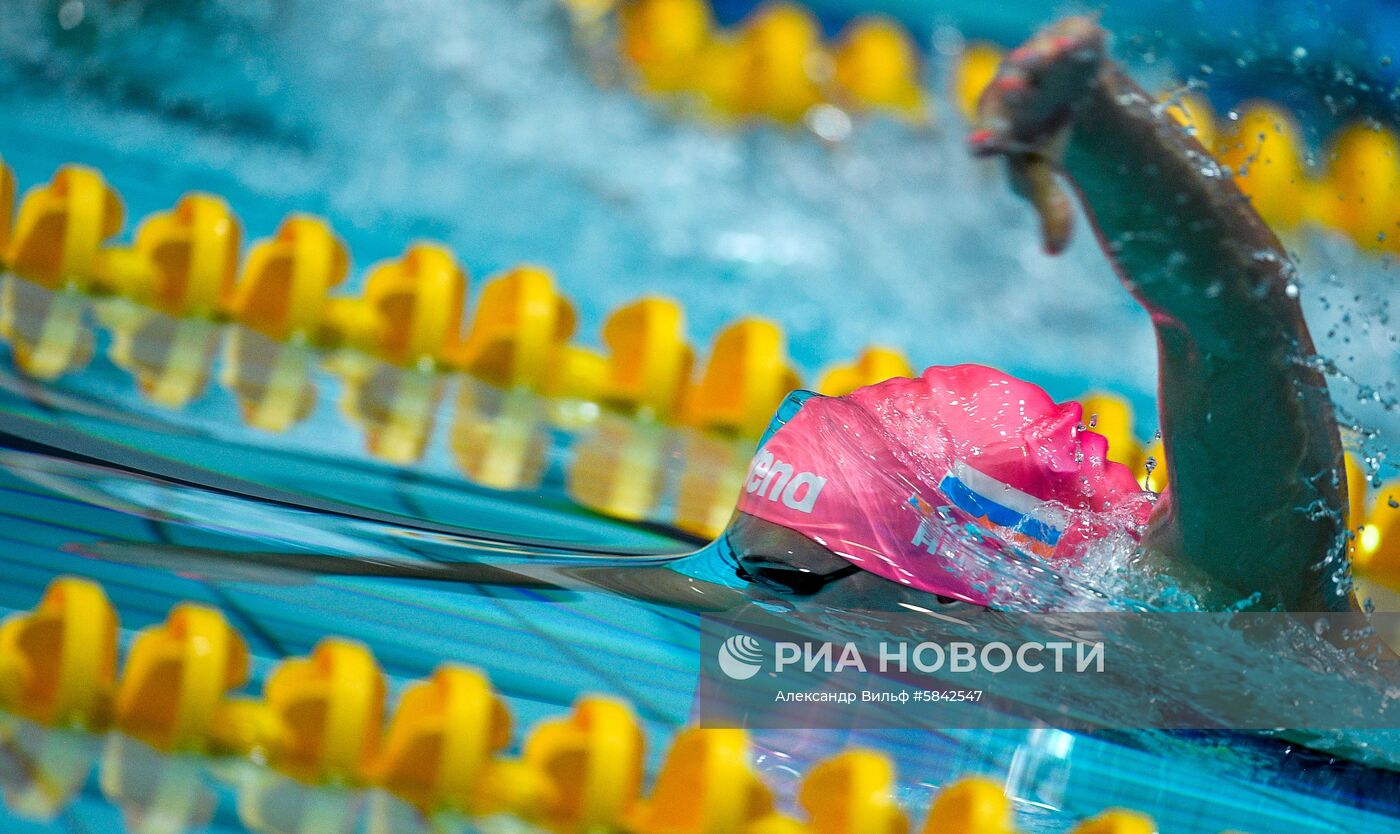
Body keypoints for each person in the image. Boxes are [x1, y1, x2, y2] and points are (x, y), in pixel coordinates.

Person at [724, 16, 1353, 614]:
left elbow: (1240, 332)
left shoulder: (1218, 614)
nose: (741, 608)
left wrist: (1097, 125)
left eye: (783, 581)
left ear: (942, 594)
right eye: (738, 563)